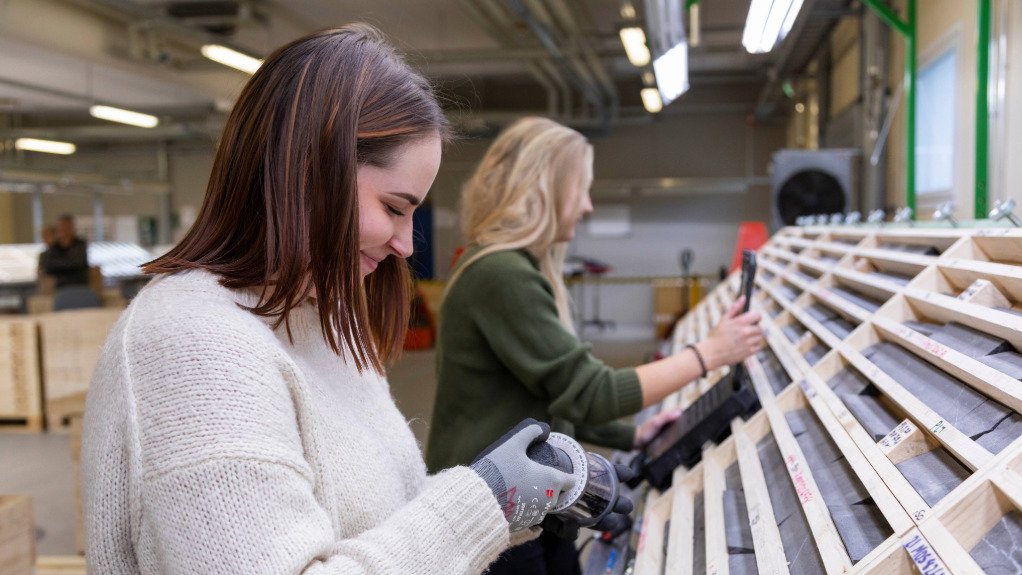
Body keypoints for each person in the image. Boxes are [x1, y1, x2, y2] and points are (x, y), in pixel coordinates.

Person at [81, 25, 577, 574]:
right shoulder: (190, 346)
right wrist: (478, 502)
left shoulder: (320, 322)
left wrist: (507, 509)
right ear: (311, 173)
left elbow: (382, 525)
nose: (406, 244)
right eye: (394, 207)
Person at [425, 117, 764, 574]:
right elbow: (592, 392)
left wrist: (632, 435)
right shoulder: (501, 274)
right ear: (544, 188)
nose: (586, 206)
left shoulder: (508, 269)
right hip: (495, 506)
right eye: (580, 189)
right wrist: (710, 354)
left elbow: (553, 394)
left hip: (526, 494)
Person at [42, 215, 89, 288]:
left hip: (79, 285)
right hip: (60, 287)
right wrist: (69, 264)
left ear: (73, 228)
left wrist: (59, 266)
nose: (64, 231)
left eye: (67, 228)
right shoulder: (54, 247)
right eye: (62, 228)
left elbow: (78, 264)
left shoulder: (80, 245)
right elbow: (48, 268)